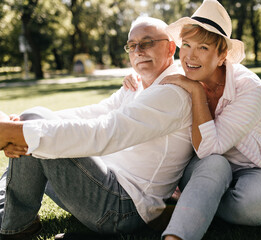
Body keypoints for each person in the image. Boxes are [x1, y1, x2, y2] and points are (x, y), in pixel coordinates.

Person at [0, 16, 195, 240]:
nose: (138, 51)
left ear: (171, 47)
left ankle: (13, 226)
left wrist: (19, 131)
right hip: (101, 186)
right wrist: (20, 126)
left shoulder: (172, 93)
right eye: (132, 46)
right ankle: (9, 214)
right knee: (33, 124)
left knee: (34, 132)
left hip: (123, 207)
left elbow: (105, 132)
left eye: (147, 43)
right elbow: (97, 111)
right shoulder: (138, 85)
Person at [124, 1, 261, 239]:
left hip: (250, 167)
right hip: (202, 169)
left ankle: (188, 206)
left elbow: (210, 146)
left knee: (257, 209)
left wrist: (196, 93)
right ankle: (193, 205)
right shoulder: (183, 74)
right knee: (215, 164)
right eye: (187, 45)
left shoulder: (248, 86)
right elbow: (154, 71)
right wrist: (134, 75)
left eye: (203, 47)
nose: (190, 56)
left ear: (222, 55)